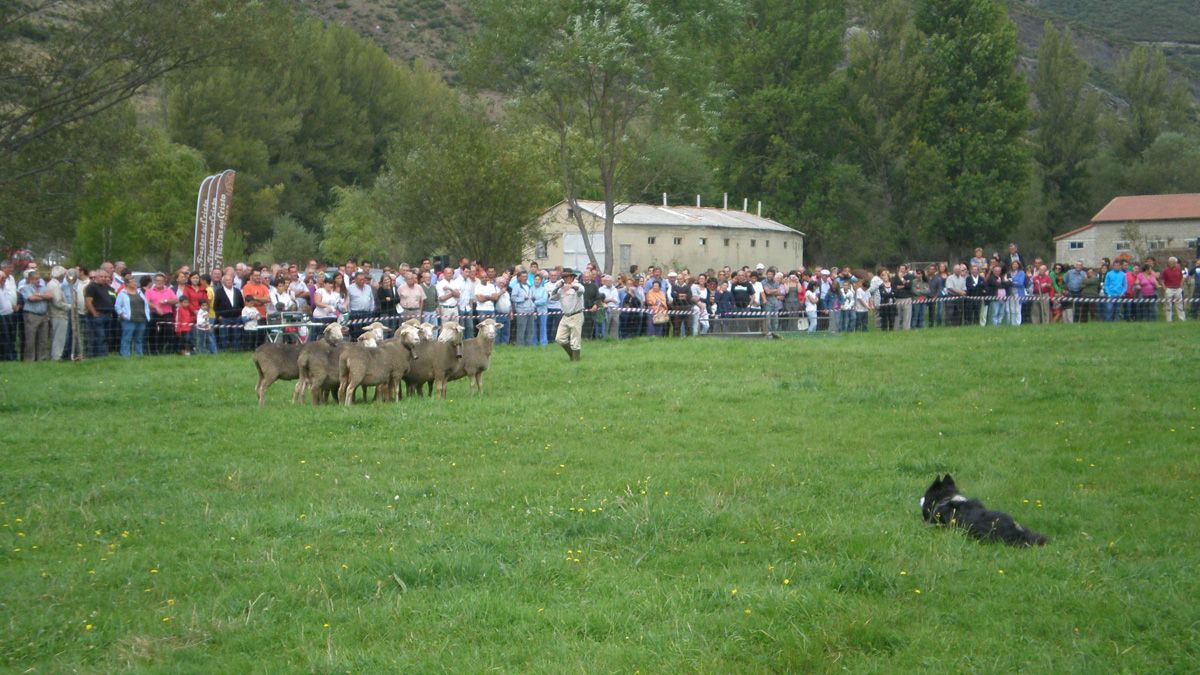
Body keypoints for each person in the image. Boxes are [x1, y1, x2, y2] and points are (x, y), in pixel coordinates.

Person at [551, 267, 585, 360]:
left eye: (567, 277)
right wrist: (558, 287)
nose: (566, 279)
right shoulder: (561, 288)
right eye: (564, 277)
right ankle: (571, 355)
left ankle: (576, 360)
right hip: (565, 316)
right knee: (559, 338)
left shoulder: (578, 285)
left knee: (575, 341)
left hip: (576, 315)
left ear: (572, 277)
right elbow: (552, 297)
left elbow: (581, 290)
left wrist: (571, 286)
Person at [18, 268, 51, 361]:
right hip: (31, 315)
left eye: (39, 279)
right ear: (30, 279)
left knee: (43, 338)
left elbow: (50, 296)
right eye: (36, 279)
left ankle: (42, 358)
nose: (38, 281)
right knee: (30, 339)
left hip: (44, 315)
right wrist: (43, 297)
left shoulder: (43, 287)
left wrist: (39, 294)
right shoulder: (25, 288)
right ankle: (29, 359)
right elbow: (31, 298)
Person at [114, 274, 150, 356]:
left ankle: (139, 354)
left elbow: (145, 304)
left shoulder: (140, 292)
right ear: (127, 283)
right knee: (127, 338)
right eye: (132, 281)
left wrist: (147, 315)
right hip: (129, 320)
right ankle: (125, 354)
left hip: (141, 318)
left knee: (139, 339)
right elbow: (117, 306)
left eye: (135, 281)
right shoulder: (122, 293)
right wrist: (122, 315)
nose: (135, 283)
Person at [45, 266, 72, 360]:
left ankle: (55, 355)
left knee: (57, 336)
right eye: (64, 274)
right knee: (59, 337)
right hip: (58, 314)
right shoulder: (54, 286)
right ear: (61, 275)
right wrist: (69, 306)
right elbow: (57, 302)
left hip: (56, 314)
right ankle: (57, 356)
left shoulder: (53, 284)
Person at [1162, 257, 1185, 322]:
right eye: (1170, 262)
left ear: (1175, 263)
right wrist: (1165, 289)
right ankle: (1169, 320)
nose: (1171, 263)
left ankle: (1182, 319)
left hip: (1178, 289)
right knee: (1168, 305)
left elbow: (1182, 278)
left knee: (1179, 305)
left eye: (1173, 262)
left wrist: (1180, 287)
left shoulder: (1179, 270)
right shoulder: (1165, 271)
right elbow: (1162, 281)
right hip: (1169, 289)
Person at [599, 275, 620, 339]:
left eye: (610, 281)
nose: (608, 282)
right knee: (606, 325)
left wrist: (608, 299)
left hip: (615, 309)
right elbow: (601, 300)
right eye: (607, 281)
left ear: (612, 281)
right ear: (604, 282)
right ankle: (605, 340)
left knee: (615, 325)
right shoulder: (601, 289)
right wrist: (610, 299)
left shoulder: (615, 289)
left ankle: (614, 340)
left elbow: (617, 301)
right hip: (606, 309)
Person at [1006, 262, 1025, 326]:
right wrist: (1012, 282)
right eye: (1013, 264)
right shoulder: (1009, 273)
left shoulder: (1021, 272)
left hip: (1018, 292)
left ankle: (1018, 323)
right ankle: (1013, 323)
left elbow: (1020, 282)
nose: (1014, 266)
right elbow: (1006, 281)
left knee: (1018, 309)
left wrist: (1012, 281)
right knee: (1011, 308)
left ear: (1018, 265)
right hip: (1010, 292)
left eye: (1016, 265)